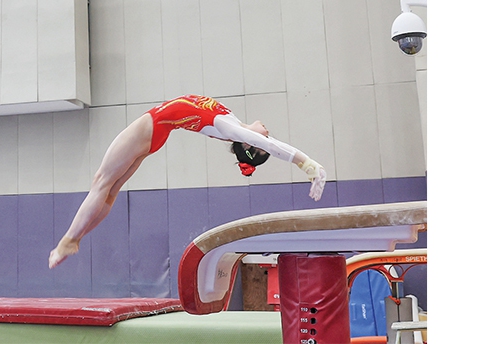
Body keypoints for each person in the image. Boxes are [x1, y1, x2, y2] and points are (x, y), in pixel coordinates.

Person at [48, 94, 327, 269]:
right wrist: (309, 163)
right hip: (157, 133)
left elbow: (269, 144)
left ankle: (69, 240)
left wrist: (306, 164)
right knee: (111, 189)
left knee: (101, 182)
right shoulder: (234, 124)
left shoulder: (229, 128)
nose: (267, 132)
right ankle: (77, 238)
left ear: (252, 146)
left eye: (262, 142)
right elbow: (270, 143)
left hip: (151, 125)